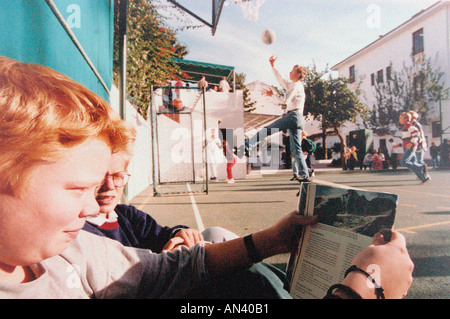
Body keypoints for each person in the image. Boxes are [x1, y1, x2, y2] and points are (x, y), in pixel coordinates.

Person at [0, 57, 414, 299]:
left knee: (243, 276)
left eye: (110, 181)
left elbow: (167, 270)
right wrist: (363, 288)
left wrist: (271, 239)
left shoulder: (67, 254)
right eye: (78, 188)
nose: (94, 205)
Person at [246, 55, 310, 182]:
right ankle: (305, 175)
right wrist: (273, 66)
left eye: (292, 71)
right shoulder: (294, 85)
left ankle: (248, 144)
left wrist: (273, 94)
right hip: (297, 118)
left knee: (268, 129)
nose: (289, 72)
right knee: (296, 149)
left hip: (293, 116)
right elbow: (280, 79)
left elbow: (284, 100)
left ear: (297, 75)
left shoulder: (296, 85)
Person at [399, 112, 430, 183]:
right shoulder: (405, 127)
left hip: (411, 147)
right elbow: (406, 138)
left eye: (401, 118)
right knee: (412, 162)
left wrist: (411, 142)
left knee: (403, 162)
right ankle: (423, 178)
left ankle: (421, 167)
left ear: (406, 119)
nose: (399, 120)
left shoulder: (410, 126)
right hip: (408, 147)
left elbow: (417, 134)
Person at [409, 111, 428, 177]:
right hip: (415, 145)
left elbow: (419, 135)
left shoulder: (416, 124)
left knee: (419, 160)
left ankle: (424, 174)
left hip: (419, 145)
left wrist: (416, 144)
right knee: (416, 160)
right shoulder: (411, 124)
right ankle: (421, 174)